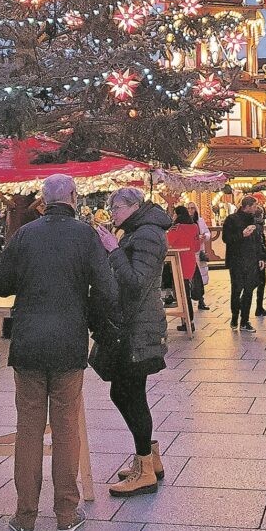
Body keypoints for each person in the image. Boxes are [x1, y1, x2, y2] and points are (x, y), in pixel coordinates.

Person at [0, 174, 117, 531]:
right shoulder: (85, 236)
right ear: (74, 198)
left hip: (28, 343)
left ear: (43, 201)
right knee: (66, 428)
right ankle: (66, 514)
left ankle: (24, 516)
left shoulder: (25, 234)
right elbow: (107, 290)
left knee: (28, 429)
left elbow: (0, 284)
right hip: (68, 343)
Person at [97, 187, 170, 498]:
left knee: (129, 392)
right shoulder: (140, 230)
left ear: (134, 206)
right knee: (125, 391)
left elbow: (136, 282)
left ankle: (144, 470)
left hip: (139, 325)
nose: (113, 213)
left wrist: (113, 249)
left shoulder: (148, 234)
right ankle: (149, 458)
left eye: (117, 207)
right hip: (134, 322)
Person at [222, 196, 266, 332]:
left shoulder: (255, 220)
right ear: (247, 206)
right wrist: (242, 234)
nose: (256, 208)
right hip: (236, 260)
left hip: (252, 260)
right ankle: (235, 315)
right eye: (254, 205)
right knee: (236, 289)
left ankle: (245, 320)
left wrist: (261, 257)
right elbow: (226, 238)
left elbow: (259, 241)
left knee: (249, 290)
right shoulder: (231, 219)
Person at [166, 206, 201, 333]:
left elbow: (167, 242)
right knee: (185, 292)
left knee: (181, 294)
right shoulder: (194, 227)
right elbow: (197, 247)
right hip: (190, 262)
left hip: (177, 262)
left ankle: (187, 321)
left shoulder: (176, 228)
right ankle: (188, 321)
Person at [251, 206, 266, 318]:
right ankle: (258, 307)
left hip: (253, 258)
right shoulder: (258, 227)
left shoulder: (252, 225)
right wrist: (262, 257)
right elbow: (260, 244)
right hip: (258, 259)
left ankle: (258, 307)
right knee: (260, 283)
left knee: (256, 283)